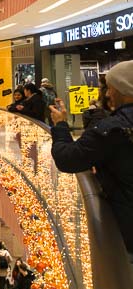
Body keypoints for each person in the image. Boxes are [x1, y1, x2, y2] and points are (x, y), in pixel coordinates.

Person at [50, 60, 133, 257]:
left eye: (110, 89)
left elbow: (67, 159)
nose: (107, 94)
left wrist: (60, 125)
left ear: (122, 90)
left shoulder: (111, 130)